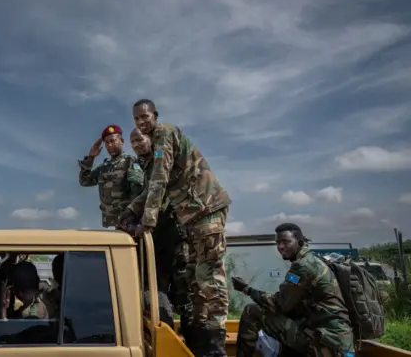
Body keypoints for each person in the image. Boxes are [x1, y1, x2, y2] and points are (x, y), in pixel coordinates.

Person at [121, 99, 232, 357]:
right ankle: (202, 341)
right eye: (137, 119)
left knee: (210, 279)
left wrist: (147, 221)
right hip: (192, 216)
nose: (141, 122)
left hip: (206, 209)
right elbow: (151, 187)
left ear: (155, 116)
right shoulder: (156, 143)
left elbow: (159, 178)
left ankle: (215, 347)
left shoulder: (165, 134)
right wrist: (130, 211)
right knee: (196, 279)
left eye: (145, 117)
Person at [232, 223, 355, 357]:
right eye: (278, 242)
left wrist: (247, 289)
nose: (280, 247)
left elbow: (279, 304)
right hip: (332, 340)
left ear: (300, 242)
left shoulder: (303, 266)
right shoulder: (311, 260)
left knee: (252, 311)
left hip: (327, 344)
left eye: (285, 242)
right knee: (289, 318)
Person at [127, 127, 194, 335]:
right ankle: (167, 335)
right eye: (133, 142)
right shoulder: (142, 167)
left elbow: (158, 190)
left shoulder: (161, 159)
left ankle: (192, 338)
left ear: (150, 140)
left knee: (184, 290)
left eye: (140, 139)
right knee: (158, 289)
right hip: (158, 237)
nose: (137, 144)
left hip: (175, 233)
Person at [78, 124, 145, 229]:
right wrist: (90, 158)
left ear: (121, 142)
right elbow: (84, 181)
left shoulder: (130, 162)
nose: (110, 145)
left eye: (113, 141)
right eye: (107, 143)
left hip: (127, 223)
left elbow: (137, 193)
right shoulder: (104, 167)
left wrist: (131, 218)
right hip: (109, 223)